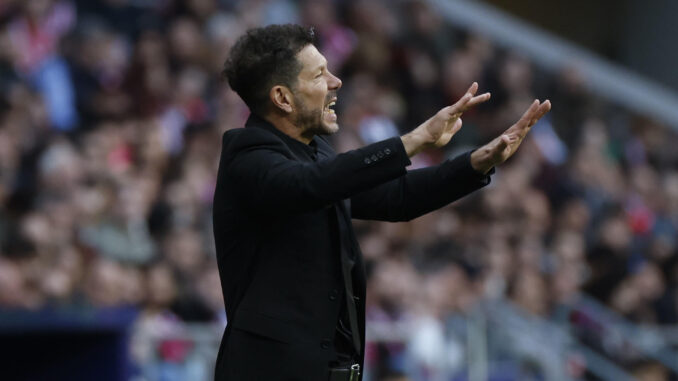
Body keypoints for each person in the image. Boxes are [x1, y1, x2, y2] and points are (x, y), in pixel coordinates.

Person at [212, 24, 550, 381]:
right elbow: (311, 185)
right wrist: (414, 141)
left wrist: (474, 164)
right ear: (283, 97)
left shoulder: (315, 154)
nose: (335, 81)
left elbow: (395, 197)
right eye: (319, 74)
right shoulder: (247, 157)